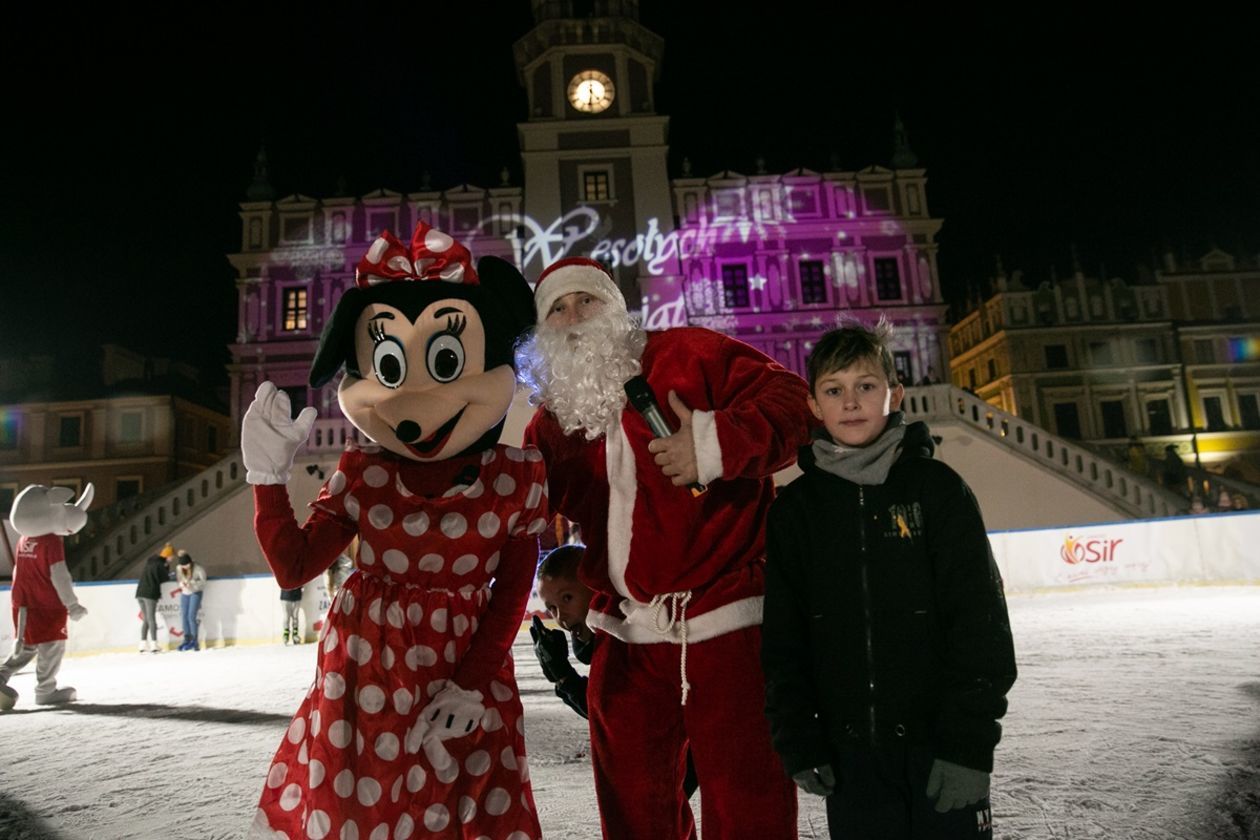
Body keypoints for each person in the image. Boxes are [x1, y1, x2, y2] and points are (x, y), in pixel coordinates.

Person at [241, 223, 544, 840]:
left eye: (445, 363)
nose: (414, 397)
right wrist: (267, 477)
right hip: (363, 673)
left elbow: (512, 591)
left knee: (464, 805)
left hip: (465, 667)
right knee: (365, 808)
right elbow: (294, 567)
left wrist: (473, 681)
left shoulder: (514, 478)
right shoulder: (364, 473)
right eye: (387, 365)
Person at [518, 257, 810, 839]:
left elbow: (794, 402)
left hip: (726, 626)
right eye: (557, 307)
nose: (574, 317)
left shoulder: (690, 353)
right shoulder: (555, 419)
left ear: (617, 310)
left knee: (748, 801)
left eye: (587, 301)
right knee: (634, 810)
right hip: (626, 638)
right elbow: (517, 503)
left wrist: (715, 444)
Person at [762, 320, 1018, 839]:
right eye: (834, 390)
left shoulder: (938, 491)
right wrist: (800, 740)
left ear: (894, 394)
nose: (851, 402)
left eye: (866, 386)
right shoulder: (795, 511)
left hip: (940, 748)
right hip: (850, 760)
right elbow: (784, 639)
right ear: (813, 405)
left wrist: (968, 746)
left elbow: (980, 624)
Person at [529, 543, 700, 800]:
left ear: (597, 588)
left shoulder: (630, 635)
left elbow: (619, 717)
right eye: (551, 608)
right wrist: (563, 677)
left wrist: (565, 678)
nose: (561, 616)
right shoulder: (604, 640)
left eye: (567, 598)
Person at [0, 484, 94, 710]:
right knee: (52, 647)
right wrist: (72, 604)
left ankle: (1, 676)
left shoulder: (24, 538)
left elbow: (18, 571)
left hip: (24, 604)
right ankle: (46, 690)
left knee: (26, 646)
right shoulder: (51, 541)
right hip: (47, 606)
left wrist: (20, 598)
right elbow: (59, 575)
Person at [136, 547, 173, 653]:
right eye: (171, 556)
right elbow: (164, 578)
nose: (172, 558)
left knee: (146, 619)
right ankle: (154, 644)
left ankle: (142, 644)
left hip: (140, 593)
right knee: (151, 619)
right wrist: (168, 567)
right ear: (168, 556)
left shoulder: (151, 562)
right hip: (150, 594)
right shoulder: (160, 565)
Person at [175, 551, 206, 651]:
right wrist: (182, 584)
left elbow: (203, 582)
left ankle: (194, 640)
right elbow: (179, 579)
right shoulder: (179, 568)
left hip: (195, 592)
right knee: (184, 616)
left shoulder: (198, 568)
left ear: (190, 562)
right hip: (185, 593)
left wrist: (192, 584)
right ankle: (187, 639)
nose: (185, 567)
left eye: (187, 565)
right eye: (183, 566)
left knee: (191, 616)